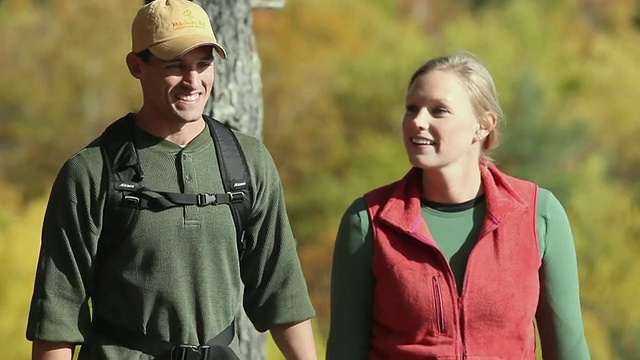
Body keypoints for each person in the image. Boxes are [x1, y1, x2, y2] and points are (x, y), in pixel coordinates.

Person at [26, 0, 317, 359]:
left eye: (203, 64)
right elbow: (57, 316)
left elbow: (282, 292)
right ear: (136, 66)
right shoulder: (89, 174)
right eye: (175, 66)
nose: (193, 82)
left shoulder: (249, 163)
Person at [326, 51, 590, 359]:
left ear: (483, 125)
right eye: (412, 109)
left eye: (438, 111)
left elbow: (568, 350)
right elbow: (345, 350)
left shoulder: (538, 214)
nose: (417, 121)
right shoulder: (369, 221)